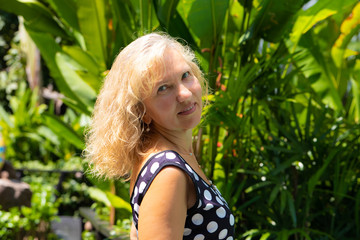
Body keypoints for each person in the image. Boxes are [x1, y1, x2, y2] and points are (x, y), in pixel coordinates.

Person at [85, 32, 235, 240]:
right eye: (163, 88)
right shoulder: (168, 173)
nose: (184, 94)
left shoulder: (163, 157)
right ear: (142, 112)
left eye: (185, 75)